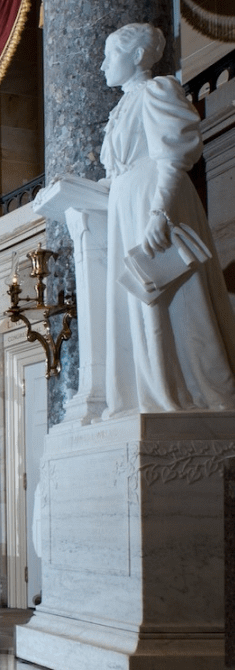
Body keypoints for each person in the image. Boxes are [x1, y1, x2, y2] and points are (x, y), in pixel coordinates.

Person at [98, 23, 235, 416]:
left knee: (170, 296)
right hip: (127, 202)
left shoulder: (157, 90)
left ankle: (185, 390)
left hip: (153, 198)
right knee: (137, 300)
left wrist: (160, 213)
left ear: (137, 56)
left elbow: (174, 155)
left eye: (111, 55)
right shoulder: (121, 107)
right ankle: (145, 390)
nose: (104, 65)